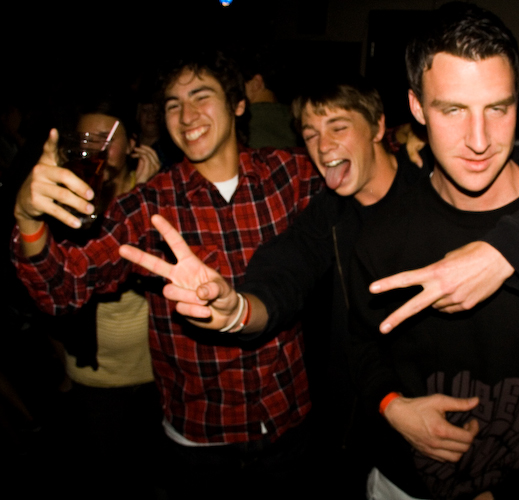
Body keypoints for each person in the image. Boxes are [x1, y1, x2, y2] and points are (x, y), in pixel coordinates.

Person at [119, 70, 519, 496]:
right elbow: (285, 271)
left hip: (484, 446)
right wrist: (237, 311)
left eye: (338, 126)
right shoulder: (329, 213)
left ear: (379, 127)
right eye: (310, 133)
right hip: (365, 445)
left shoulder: (442, 187)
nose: (323, 146)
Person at [11, 49, 320, 498]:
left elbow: (365, 179)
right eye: (174, 104)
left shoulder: (290, 174)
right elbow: (62, 289)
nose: (186, 115)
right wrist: (28, 219)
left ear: (238, 104)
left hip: (287, 423)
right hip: (201, 441)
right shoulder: (149, 205)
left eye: (201, 96)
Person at [346, 3, 519, 498]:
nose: (479, 141)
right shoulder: (382, 235)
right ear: (416, 108)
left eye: (497, 108)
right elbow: (363, 347)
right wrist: (390, 405)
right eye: (453, 110)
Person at [40, 89, 163, 500]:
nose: (96, 150)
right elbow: (67, 278)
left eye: (106, 140)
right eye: (86, 140)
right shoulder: (66, 203)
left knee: (156, 475)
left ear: (132, 145)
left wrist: (146, 194)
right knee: (109, 480)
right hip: (96, 376)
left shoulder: (158, 190)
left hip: (157, 370)